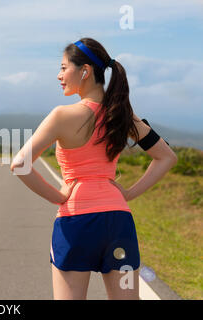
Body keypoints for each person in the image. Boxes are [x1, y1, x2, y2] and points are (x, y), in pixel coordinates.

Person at [10, 37, 177, 300]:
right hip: (118, 221)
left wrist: (59, 196)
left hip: (76, 220)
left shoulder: (61, 116)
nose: (59, 75)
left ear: (85, 71)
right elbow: (166, 157)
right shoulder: (122, 115)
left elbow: (20, 164)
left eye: (64, 68)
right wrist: (129, 193)